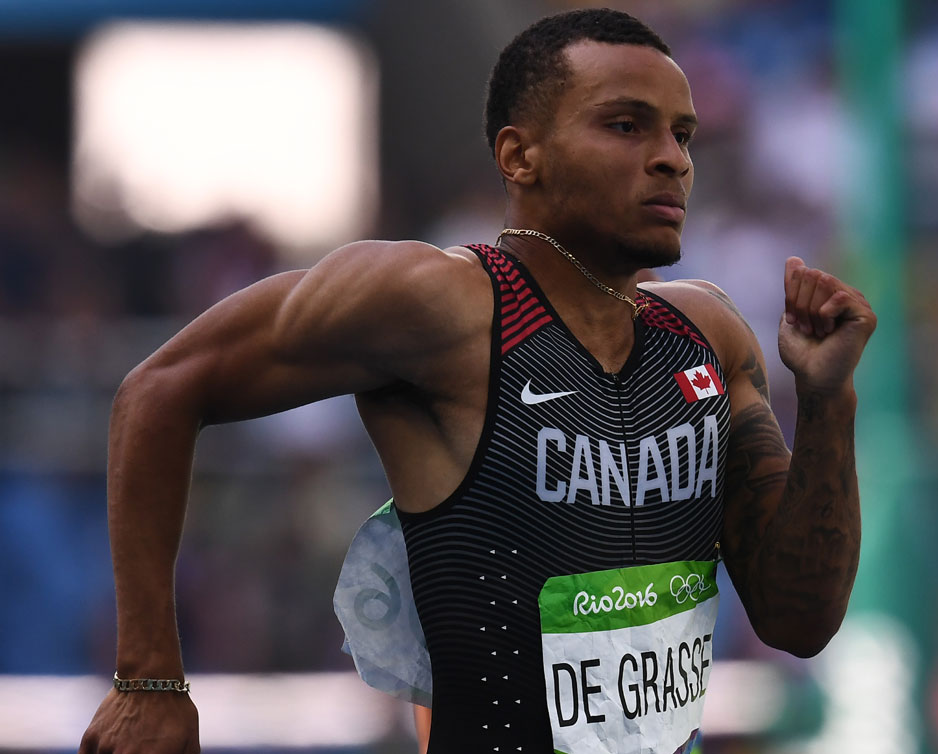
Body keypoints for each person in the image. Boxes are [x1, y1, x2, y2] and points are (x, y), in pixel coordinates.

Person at [79, 8, 876, 753]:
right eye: (625, 125)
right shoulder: (438, 304)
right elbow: (159, 388)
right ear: (518, 155)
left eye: (682, 133)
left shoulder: (707, 332)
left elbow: (798, 619)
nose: (671, 157)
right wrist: (148, 678)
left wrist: (826, 398)